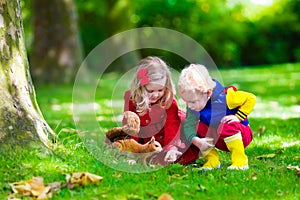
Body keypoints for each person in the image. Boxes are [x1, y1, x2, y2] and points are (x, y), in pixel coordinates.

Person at [177, 64, 256, 170]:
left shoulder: (226, 97)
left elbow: (250, 98)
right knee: (197, 126)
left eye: (193, 102)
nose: (189, 106)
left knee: (226, 125)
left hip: (241, 135)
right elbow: (189, 126)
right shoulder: (193, 106)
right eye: (186, 101)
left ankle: (240, 162)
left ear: (208, 93)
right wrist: (196, 140)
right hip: (218, 137)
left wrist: (238, 117)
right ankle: (212, 161)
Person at [123, 56, 186, 165]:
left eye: (160, 90)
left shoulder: (168, 100)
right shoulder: (132, 99)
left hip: (167, 138)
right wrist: (131, 152)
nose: (156, 95)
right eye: (150, 90)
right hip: (146, 141)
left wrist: (171, 148)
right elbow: (131, 127)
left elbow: (172, 125)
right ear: (140, 87)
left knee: (177, 157)